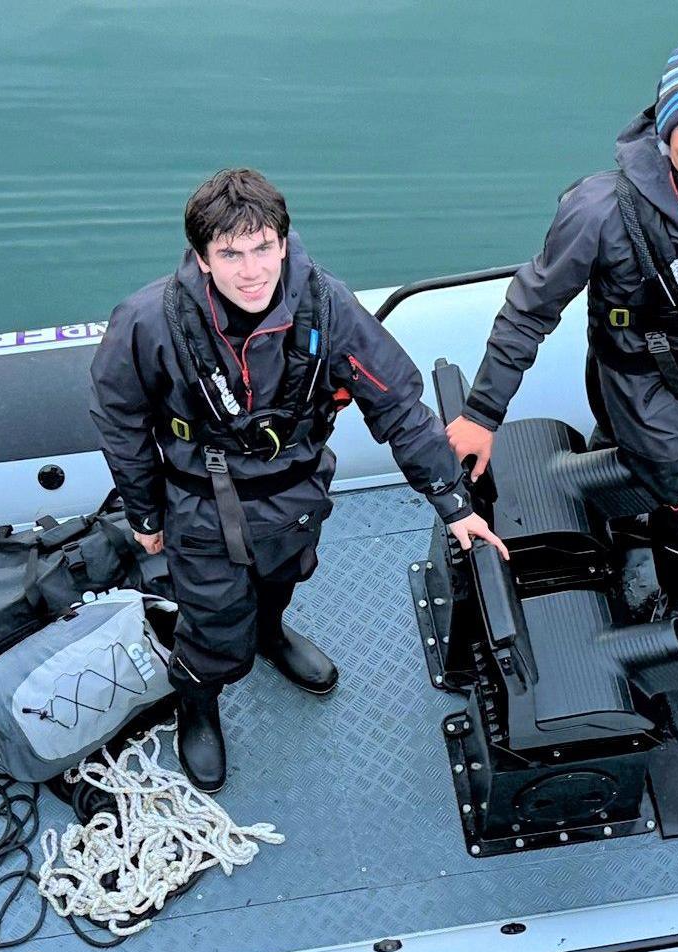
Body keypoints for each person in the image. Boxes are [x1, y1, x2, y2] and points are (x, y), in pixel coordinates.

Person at [91, 168, 504, 794]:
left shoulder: (328, 305)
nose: (251, 270)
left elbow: (396, 404)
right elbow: (119, 421)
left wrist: (453, 502)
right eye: (230, 253)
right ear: (203, 259)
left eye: (263, 248)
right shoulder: (147, 322)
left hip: (296, 488)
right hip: (200, 501)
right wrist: (146, 516)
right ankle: (198, 706)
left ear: (284, 244)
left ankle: (270, 634)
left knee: (285, 575)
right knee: (211, 620)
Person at [446, 25, 678, 617]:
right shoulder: (598, 210)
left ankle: (615, 517)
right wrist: (481, 414)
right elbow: (529, 311)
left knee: (631, 451)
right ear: (664, 127)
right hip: (630, 368)